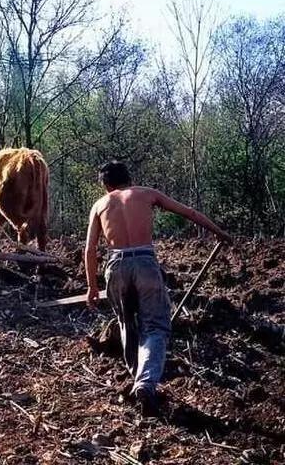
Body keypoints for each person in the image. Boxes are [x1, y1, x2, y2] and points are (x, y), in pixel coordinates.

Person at [84, 161, 231, 415]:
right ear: (129, 179)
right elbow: (190, 213)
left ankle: (139, 380)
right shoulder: (146, 194)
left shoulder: (99, 205)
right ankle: (146, 383)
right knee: (156, 326)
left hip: (116, 265)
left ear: (106, 185)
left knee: (127, 324)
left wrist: (92, 287)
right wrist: (219, 232)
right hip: (145, 264)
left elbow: (89, 250)